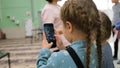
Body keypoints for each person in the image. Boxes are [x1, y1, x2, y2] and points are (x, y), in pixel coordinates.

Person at [37, 0, 102, 68]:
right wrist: (63, 49)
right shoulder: (95, 49)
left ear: (69, 26)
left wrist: (44, 51)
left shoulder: (58, 58)